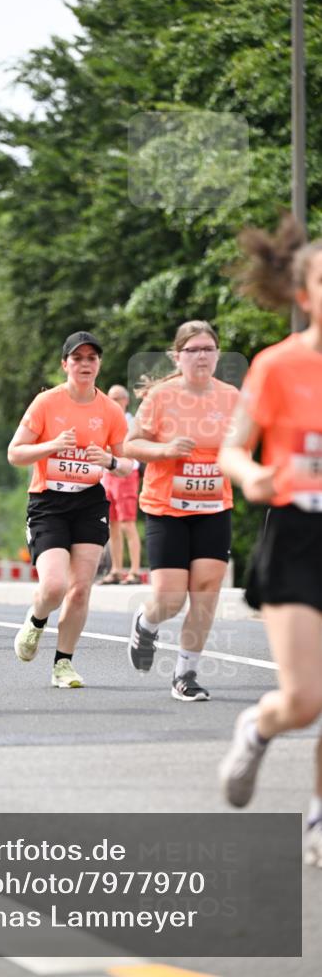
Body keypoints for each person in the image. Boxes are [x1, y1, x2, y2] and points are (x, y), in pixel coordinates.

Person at [216, 217, 322, 867]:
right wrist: (251, 474)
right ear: (303, 294)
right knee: (305, 698)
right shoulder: (277, 366)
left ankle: (316, 818)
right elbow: (232, 448)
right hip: (296, 535)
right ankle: (257, 728)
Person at [7, 331, 132, 687]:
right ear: (65, 364)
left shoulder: (109, 409)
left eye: (91, 358)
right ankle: (36, 619)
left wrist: (109, 460)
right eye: (77, 358)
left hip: (89, 501)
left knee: (80, 588)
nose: (85, 364)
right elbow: (14, 453)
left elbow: (128, 463)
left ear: (99, 365)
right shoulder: (46, 403)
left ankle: (63, 663)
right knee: (54, 586)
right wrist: (50, 446)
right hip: (48, 501)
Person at [123, 321, 239, 701]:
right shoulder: (160, 397)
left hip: (214, 505)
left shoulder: (231, 398)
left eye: (208, 349)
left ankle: (185, 674)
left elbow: (244, 447)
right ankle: (147, 622)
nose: (201, 356)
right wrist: (166, 450)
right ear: (178, 356)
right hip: (166, 507)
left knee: (206, 591)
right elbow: (131, 445)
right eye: (193, 350)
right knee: (170, 599)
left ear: (218, 354)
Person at [99, 384, 142, 585]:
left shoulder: (132, 423)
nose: (113, 402)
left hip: (126, 475)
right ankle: (116, 569)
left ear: (125, 401)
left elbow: (128, 449)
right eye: (110, 398)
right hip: (108, 475)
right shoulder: (104, 422)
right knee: (112, 524)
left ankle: (134, 571)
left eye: (117, 398)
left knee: (127, 524)